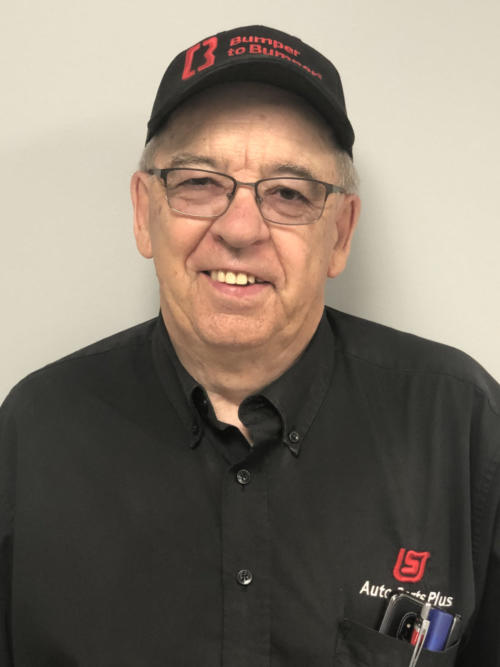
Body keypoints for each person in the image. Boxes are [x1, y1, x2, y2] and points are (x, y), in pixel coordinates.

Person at [0, 24, 498, 667]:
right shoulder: (35, 432)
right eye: (198, 182)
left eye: (289, 193)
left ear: (341, 233)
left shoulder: (460, 426)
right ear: (144, 212)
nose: (240, 229)